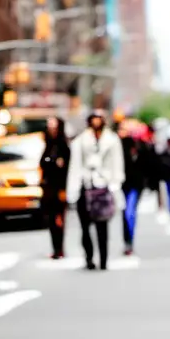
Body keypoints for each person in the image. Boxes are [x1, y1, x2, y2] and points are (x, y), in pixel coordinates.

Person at [66, 109, 125, 270]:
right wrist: (73, 189)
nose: (97, 122)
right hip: (85, 186)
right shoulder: (80, 141)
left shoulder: (112, 140)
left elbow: (117, 163)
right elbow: (75, 166)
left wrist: (115, 183)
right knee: (85, 227)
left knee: (102, 226)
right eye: (94, 119)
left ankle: (104, 259)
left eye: (99, 119)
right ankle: (89, 257)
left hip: (103, 186)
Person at [40, 116, 70, 259]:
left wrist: (64, 190)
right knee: (51, 220)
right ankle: (55, 248)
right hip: (48, 189)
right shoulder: (47, 145)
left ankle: (60, 249)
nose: (51, 129)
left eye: (54, 126)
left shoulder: (63, 146)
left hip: (59, 189)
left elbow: (66, 169)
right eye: (49, 126)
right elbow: (44, 164)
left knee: (59, 220)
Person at [120, 127, 147, 255]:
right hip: (122, 185)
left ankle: (129, 241)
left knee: (129, 213)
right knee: (125, 213)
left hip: (135, 186)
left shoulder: (142, 148)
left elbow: (149, 165)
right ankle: (127, 240)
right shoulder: (120, 146)